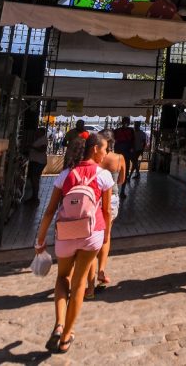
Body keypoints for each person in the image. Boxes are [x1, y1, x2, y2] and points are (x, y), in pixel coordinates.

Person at [35, 133, 114, 354]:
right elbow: (106, 210)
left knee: (62, 277)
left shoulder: (65, 174)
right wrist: (106, 235)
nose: (106, 153)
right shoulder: (103, 176)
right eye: (105, 149)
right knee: (79, 284)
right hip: (92, 233)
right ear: (95, 149)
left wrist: (40, 239)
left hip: (66, 233)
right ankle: (67, 335)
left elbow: (50, 210)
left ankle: (59, 324)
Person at [87, 136, 125, 293]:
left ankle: (89, 282)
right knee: (105, 236)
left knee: (91, 237)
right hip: (111, 199)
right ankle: (101, 270)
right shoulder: (118, 158)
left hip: (93, 199)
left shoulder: (93, 160)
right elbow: (122, 180)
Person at [24, 127, 49, 204]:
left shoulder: (43, 139)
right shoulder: (39, 139)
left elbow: (42, 149)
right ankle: (34, 197)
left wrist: (32, 147)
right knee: (34, 179)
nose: (36, 133)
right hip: (36, 161)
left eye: (38, 131)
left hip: (39, 161)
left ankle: (35, 198)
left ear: (42, 132)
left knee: (35, 179)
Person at [113, 117, 136, 198]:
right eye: (125, 122)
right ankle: (118, 191)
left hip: (124, 153)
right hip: (121, 154)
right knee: (118, 172)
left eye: (127, 122)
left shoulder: (130, 131)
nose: (125, 123)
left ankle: (122, 191)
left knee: (124, 172)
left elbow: (133, 142)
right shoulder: (117, 131)